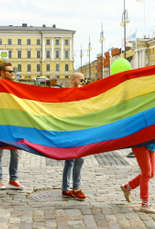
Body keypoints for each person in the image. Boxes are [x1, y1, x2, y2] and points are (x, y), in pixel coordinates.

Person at [0, 62, 23, 190]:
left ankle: (13, 179)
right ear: (2, 73)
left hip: (13, 124)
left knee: (15, 152)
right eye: (9, 71)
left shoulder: (15, 85)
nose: (12, 73)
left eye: (12, 71)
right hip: (0, 124)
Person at [62, 72, 86, 201]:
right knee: (71, 160)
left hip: (81, 131)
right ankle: (71, 188)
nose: (83, 82)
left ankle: (71, 188)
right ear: (73, 80)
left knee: (79, 160)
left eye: (84, 80)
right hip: (71, 131)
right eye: (81, 80)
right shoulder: (69, 94)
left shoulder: (85, 94)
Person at [120, 144, 155, 214]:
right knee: (146, 174)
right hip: (140, 145)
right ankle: (145, 205)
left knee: (151, 174)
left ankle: (127, 187)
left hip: (153, 146)